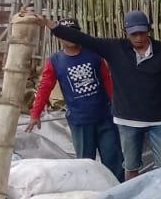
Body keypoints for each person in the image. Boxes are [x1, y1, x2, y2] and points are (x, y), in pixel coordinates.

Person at [50, 10, 161, 180]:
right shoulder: (115, 48)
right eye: (134, 34)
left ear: (149, 30)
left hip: (158, 118)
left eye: (142, 32)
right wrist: (50, 25)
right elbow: (83, 39)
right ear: (125, 32)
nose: (139, 37)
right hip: (127, 118)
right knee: (131, 165)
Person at [27, 17, 122, 180]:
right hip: (80, 122)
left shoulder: (94, 55)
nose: (70, 37)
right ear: (58, 36)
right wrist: (35, 114)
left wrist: (117, 105)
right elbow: (45, 87)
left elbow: (107, 80)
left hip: (105, 117)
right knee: (85, 164)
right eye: (66, 34)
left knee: (114, 160)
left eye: (73, 33)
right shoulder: (55, 61)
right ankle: (91, 195)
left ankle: (119, 191)